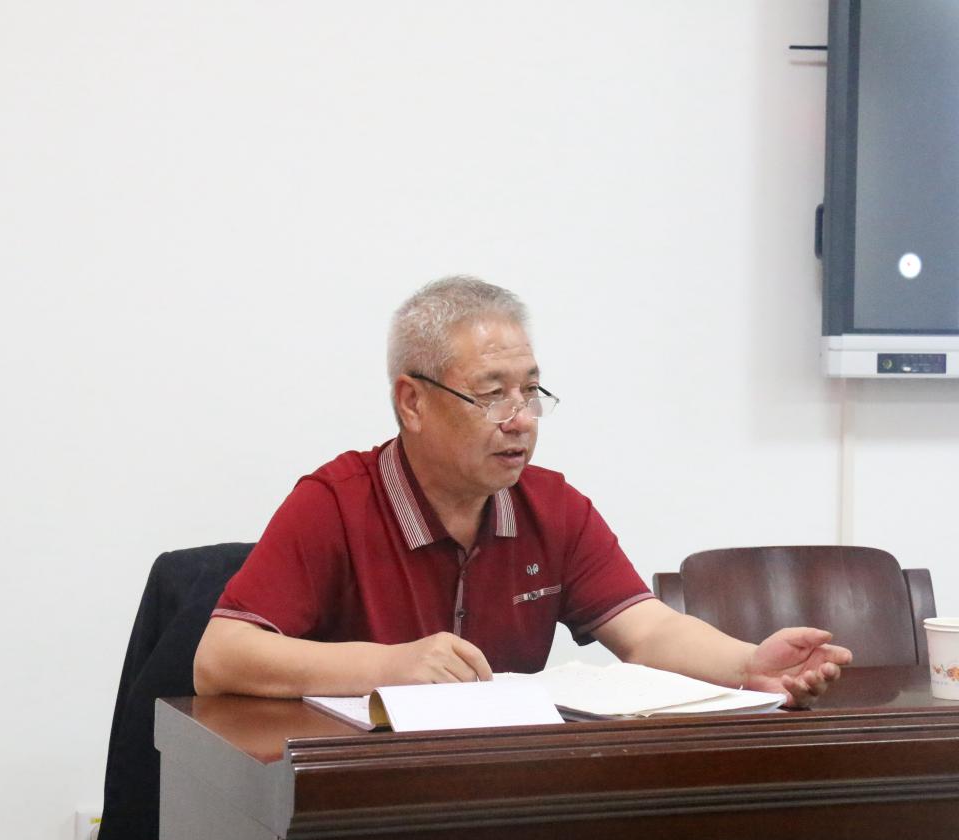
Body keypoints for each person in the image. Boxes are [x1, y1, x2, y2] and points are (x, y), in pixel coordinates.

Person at [194, 276, 851, 706]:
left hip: (498, 784)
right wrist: (389, 667)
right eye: (491, 394)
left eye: (530, 391)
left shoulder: (553, 508)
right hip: (357, 791)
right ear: (412, 402)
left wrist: (749, 665)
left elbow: (648, 631)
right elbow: (219, 659)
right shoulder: (335, 502)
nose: (522, 419)